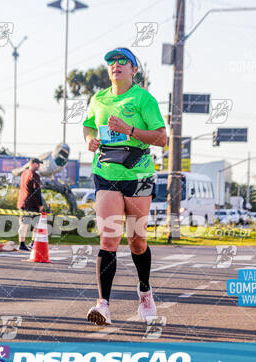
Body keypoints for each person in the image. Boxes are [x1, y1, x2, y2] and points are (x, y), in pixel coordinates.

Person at [82, 47, 167, 325]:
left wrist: (128, 130)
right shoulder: (98, 99)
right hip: (106, 171)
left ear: (134, 69)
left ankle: (145, 292)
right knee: (109, 238)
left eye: (122, 61)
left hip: (139, 174)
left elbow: (161, 138)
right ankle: (103, 305)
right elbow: (88, 126)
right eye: (111, 62)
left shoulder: (144, 99)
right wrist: (90, 141)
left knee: (136, 239)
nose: (115, 65)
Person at [16, 158, 44, 251]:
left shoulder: (24, 173)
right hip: (32, 203)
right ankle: (32, 243)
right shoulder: (34, 175)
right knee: (36, 224)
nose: (39, 166)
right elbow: (37, 190)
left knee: (23, 224)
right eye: (37, 164)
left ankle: (22, 243)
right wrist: (40, 204)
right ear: (32, 164)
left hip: (23, 202)